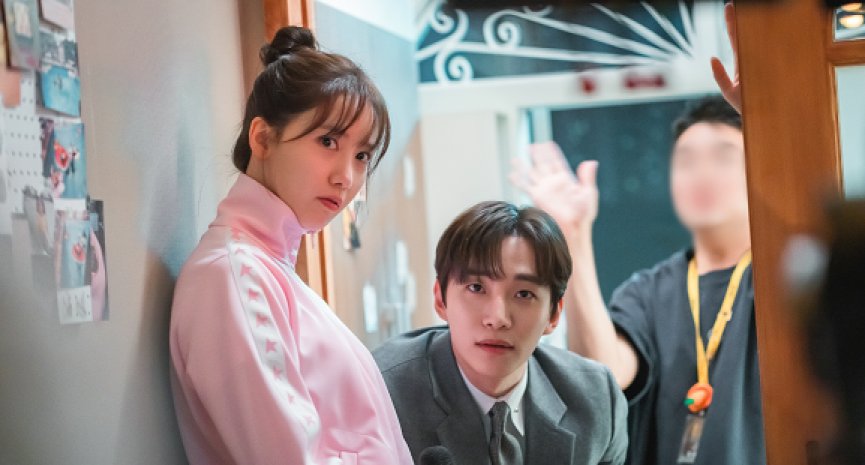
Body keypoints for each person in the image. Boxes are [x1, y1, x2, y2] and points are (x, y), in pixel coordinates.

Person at [169, 26, 412, 465]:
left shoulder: (266, 268)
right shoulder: (233, 275)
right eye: (327, 141)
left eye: (362, 155)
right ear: (263, 138)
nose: (347, 177)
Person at [511, 94, 762, 465]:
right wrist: (572, 233)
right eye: (687, 161)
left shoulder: (782, 278)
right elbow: (605, 374)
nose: (702, 174)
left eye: (723, 157)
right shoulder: (647, 292)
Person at [374, 201, 628, 465]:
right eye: (476, 288)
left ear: (553, 314)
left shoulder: (597, 399)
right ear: (440, 300)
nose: (498, 319)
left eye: (524, 294)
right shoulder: (382, 392)